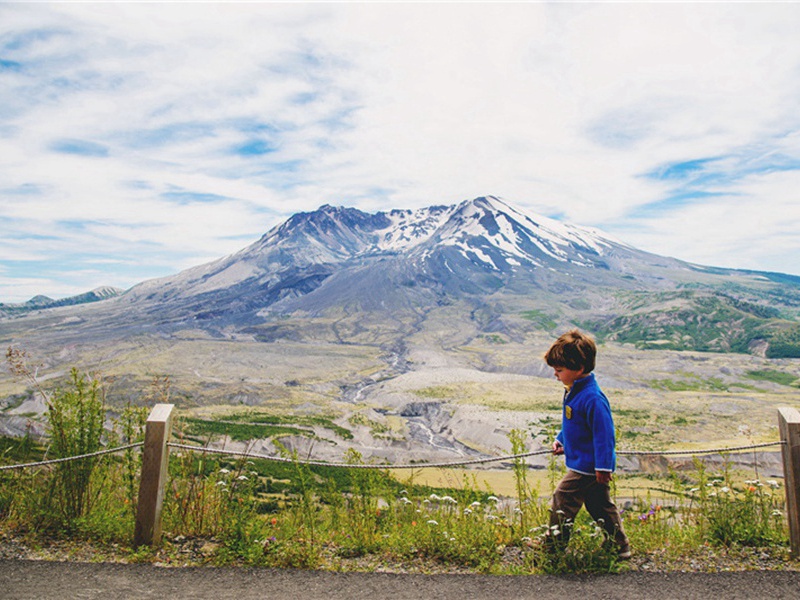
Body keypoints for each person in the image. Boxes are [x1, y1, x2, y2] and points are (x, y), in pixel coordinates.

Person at [544, 329, 631, 559]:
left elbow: (604, 436)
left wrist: (604, 467)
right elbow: (574, 424)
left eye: (559, 370)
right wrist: (561, 440)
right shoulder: (575, 391)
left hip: (588, 467)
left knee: (562, 498)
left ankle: (553, 547)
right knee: (600, 505)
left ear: (579, 369)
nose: (555, 374)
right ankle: (619, 545)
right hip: (587, 465)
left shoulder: (592, 398)